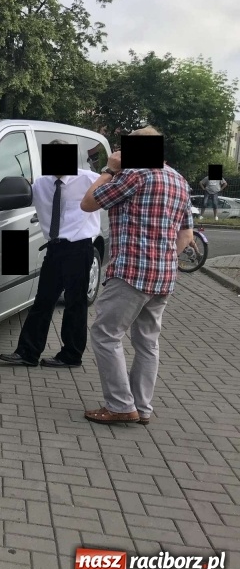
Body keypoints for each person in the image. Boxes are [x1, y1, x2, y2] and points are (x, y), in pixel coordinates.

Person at [80, 126, 193, 425]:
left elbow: (88, 203)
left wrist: (108, 169)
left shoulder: (134, 176)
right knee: (147, 342)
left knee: (105, 334)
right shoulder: (179, 181)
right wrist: (164, 259)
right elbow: (186, 234)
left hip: (131, 273)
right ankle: (141, 407)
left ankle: (119, 405)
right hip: (164, 277)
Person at [0, 141, 102, 368]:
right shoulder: (40, 184)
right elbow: (15, 195)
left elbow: (120, 186)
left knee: (75, 304)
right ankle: (28, 352)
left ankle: (71, 355)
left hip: (79, 248)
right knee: (43, 302)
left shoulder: (89, 179)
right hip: (54, 249)